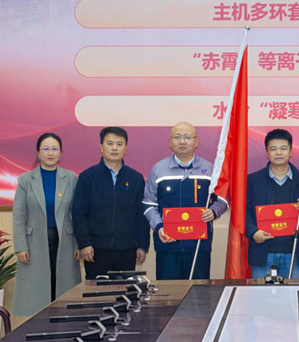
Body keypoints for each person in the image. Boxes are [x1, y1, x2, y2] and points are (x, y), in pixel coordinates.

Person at [143, 122, 228, 279]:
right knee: (169, 292)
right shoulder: (158, 169)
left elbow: (222, 199)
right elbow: (149, 205)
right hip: (168, 244)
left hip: (198, 245)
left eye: (187, 137)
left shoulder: (211, 169)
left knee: (199, 291)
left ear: (196, 142)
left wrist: (214, 211)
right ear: (170, 142)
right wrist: (159, 226)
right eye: (177, 137)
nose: (182, 141)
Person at [12, 133, 81, 316]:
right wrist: (20, 246)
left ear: (61, 153)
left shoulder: (71, 178)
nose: (50, 153)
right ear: (38, 153)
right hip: (34, 242)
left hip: (65, 240)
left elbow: (78, 214)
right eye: (46, 149)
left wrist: (77, 243)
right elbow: (18, 216)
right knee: (38, 292)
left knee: (63, 288)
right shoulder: (26, 180)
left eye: (54, 149)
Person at [72, 127, 149, 279]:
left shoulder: (135, 178)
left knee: (126, 291)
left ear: (125, 149)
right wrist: (84, 244)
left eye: (119, 144)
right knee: (97, 292)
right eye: (110, 143)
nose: (114, 148)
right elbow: (79, 213)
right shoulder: (88, 177)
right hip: (95, 251)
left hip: (127, 250)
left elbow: (141, 214)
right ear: (101, 147)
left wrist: (142, 245)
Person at [245, 129, 299, 279]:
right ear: (267, 153)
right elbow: (244, 212)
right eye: (273, 149)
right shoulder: (253, 180)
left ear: (290, 152)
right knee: (263, 293)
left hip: (293, 251)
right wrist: (253, 232)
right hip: (263, 251)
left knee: (291, 293)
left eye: (283, 148)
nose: (278, 152)